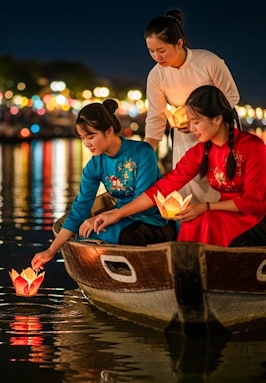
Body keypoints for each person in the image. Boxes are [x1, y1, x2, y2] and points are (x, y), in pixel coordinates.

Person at [93, 86, 266, 248]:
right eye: (189, 121)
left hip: (265, 217)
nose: (190, 129)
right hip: (229, 214)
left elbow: (254, 202)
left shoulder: (252, 147)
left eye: (196, 122)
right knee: (192, 222)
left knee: (207, 220)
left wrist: (206, 207)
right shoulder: (201, 151)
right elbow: (163, 187)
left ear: (217, 118)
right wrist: (118, 214)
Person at [31, 99, 176, 271]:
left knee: (119, 235)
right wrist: (51, 250)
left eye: (91, 136)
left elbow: (144, 199)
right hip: (119, 220)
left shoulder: (143, 153)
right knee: (84, 236)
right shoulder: (94, 166)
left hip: (151, 221)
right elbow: (80, 209)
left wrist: (109, 215)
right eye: (83, 138)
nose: (86, 144)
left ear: (109, 131)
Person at [144, 8, 240, 204]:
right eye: (151, 51)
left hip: (219, 133)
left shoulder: (208, 61)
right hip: (185, 138)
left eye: (161, 50)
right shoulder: (156, 75)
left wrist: (200, 119)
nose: (156, 56)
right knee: (188, 188)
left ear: (179, 43)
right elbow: (156, 117)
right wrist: (145, 154)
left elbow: (231, 96)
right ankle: (191, 231)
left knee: (223, 181)